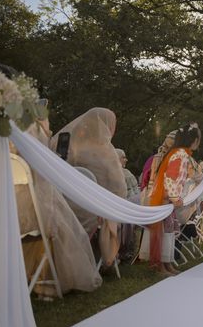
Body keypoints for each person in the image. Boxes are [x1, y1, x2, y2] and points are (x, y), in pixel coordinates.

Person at [12, 120, 102, 296]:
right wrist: (44, 133)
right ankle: (51, 280)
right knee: (66, 228)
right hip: (32, 217)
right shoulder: (35, 156)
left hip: (7, 218)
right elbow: (45, 188)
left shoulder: (9, 157)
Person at [50, 108, 127, 268]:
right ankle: (110, 258)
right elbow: (119, 188)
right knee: (117, 214)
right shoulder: (106, 151)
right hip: (93, 211)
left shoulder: (72, 147)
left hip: (62, 207)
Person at [148, 123, 203, 275]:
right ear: (193, 140)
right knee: (165, 231)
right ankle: (161, 265)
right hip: (165, 199)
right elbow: (171, 177)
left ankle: (168, 262)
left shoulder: (179, 153)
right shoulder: (180, 155)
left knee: (169, 231)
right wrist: (174, 197)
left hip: (167, 200)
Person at [115, 148, 140, 260]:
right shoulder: (121, 174)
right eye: (123, 157)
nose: (126, 160)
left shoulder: (125, 173)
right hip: (125, 210)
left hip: (129, 209)